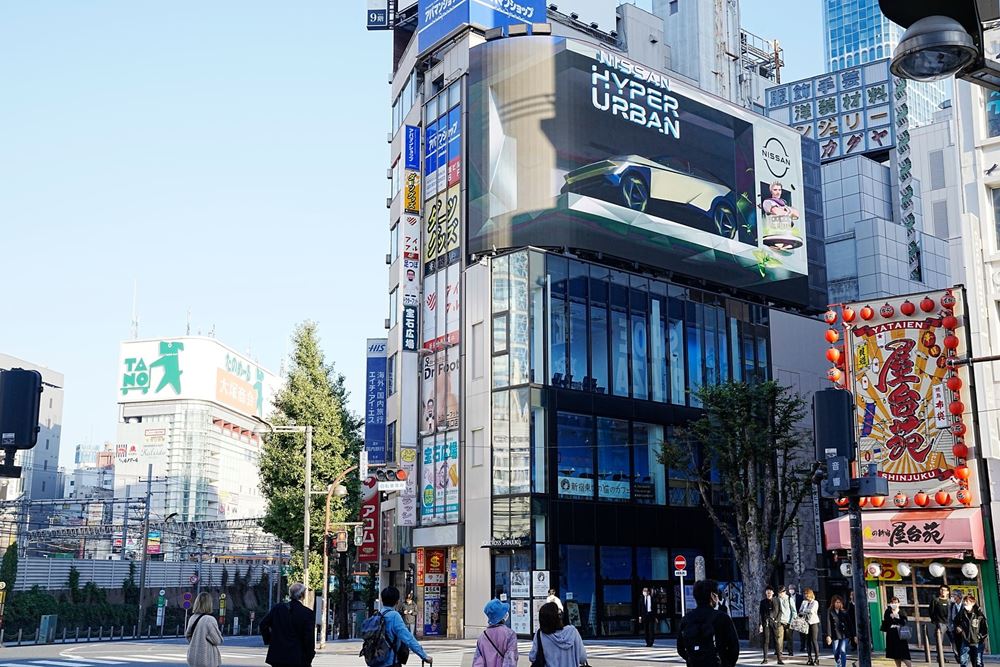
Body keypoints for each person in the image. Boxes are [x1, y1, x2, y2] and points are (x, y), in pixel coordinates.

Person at [363, 586, 432, 667]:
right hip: (390, 663)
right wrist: (424, 655)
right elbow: (408, 638)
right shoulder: (394, 616)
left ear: (382, 600)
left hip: (375, 661)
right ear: (397, 601)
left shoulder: (377, 615)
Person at [678, 579, 740, 667]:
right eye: (717, 594)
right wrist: (727, 663)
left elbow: (680, 648)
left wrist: (692, 659)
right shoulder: (722, 618)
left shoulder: (686, 619)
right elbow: (734, 647)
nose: (718, 598)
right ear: (712, 595)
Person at [260, 582, 316, 667]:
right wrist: (309, 656)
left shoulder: (278, 608)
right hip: (297, 657)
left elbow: (263, 624)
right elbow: (309, 639)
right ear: (302, 595)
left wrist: (269, 639)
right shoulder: (307, 613)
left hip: (277, 656)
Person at [529, 602, 587, 667]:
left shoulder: (540, 634)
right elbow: (583, 658)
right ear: (558, 617)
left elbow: (532, 657)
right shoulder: (573, 632)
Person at [473, 599, 518, 667]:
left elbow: (478, 662)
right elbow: (510, 660)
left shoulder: (482, 637)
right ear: (503, 615)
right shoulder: (510, 634)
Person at [185, 592, 223, 667]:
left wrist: (197, 641)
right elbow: (217, 640)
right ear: (209, 604)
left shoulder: (192, 618)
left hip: (193, 656)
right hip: (207, 659)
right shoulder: (209, 619)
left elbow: (188, 635)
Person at [953, 594, 988, 667]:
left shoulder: (979, 614)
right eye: (964, 601)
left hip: (977, 642)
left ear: (973, 603)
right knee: (963, 661)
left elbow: (984, 628)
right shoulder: (961, 613)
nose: (965, 603)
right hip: (965, 640)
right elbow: (955, 622)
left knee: (978, 662)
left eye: (967, 601)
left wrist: (980, 637)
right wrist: (958, 628)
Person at [881, 596, 912, 667]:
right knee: (895, 654)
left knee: (904, 654)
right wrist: (891, 618)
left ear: (899, 604)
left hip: (900, 635)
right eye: (892, 602)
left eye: (896, 602)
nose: (894, 604)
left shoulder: (902, 612)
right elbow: (886, 621)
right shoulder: (888, 611)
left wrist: (896, 617)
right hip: (891, 634)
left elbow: (904, 622)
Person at [826, 595, 855, 667]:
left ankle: (843, 665)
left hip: (844, 634)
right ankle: (838, 662)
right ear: (833, 603)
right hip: (835, 634)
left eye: (839, 602)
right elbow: (828, 623)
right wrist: (828, 635)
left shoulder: (844, 612)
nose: (838, 604)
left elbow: (850, 624)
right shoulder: (830, 612)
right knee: (836, 651)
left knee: (843, 650)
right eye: (836, 602)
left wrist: (854, 635)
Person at [929, 585, 955, 664]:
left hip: (950, 624)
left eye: (944, 590)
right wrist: (935, 621)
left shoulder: (951, 601)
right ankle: (940, 658)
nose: (942, 591)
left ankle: (959, 657)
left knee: (954, 641)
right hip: (940, 623)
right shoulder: (936, 600)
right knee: (939, 642)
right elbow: (931, 611)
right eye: (941, 590)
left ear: (948, 592)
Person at [799, 588, 821, 666]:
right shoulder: (804, 602)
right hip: (806, 623)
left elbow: (812, 611)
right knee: (807, 641)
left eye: (807, 593)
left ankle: (817, 658)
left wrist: (804, 611)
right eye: (805, 594)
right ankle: (809, 658)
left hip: (813, 622)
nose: (806, 595)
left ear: (810, 594)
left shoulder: (815, 602)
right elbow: (800, 611)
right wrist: (804, 611)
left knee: (814, 640)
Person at [759, 586, 781, 664]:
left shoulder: (777, 600)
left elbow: (780, 611)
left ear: (773, 592)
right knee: (766, 641)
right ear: (765, 593)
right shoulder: (763, 602)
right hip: (766, 623)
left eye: (770, 591)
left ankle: (779, 659)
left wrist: (777, 620)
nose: (768, 593)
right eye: (767, 592)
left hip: (774, 623)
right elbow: (760, 614)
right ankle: (765, 659)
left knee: (776, 641)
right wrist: (761, 624)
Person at [776, 587, 795, 663]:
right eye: (779, 593)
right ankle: (779, 652)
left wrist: (792, 621)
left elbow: (794, 611)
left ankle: (790, 651)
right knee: (779, 637)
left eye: (781, 593)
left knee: (789, 637)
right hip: (780, 621)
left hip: (789, 621)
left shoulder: (790, 599)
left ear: (784, 592)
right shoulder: (777, 599)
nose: (780, 594)